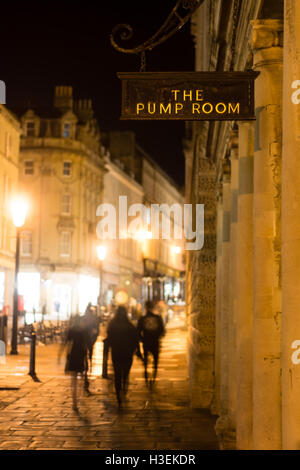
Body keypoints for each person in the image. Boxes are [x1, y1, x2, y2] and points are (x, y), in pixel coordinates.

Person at [106, 305, 139, 408]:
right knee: (126, 373)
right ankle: (124, 389)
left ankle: (118, 397)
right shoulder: (130, 325)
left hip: (116, 352)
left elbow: (109, 339)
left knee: (117, 375)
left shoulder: (112, 325)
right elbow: (135, 339)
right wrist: (135, 350)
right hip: (127, 353)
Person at [58, 315, 88, 411]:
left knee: (73, 381)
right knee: (81, 379)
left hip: (72, 356)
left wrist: (60, 355)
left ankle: (74, 402)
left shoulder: (71, 330)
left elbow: (65, 343)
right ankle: (80, 398)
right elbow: (86, 345)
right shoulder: (83, 331)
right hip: (80, 356)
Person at [137, 300, 165, 387]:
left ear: (145, 307)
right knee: (155, 360)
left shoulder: (142, 319)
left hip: (146, 342)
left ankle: (146, 371)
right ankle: (153, 376)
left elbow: (138, 331)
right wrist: (157, 336)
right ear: (153, 307)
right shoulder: (158, 318)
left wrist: (142, 339)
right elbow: (162, 331)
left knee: (146, 358)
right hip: (155, 342)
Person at [82, 304, 100, 391]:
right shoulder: (94, 318)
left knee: (84, 353)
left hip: (84, 339)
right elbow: (97, 330)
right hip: (90, 338)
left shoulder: (83, 318)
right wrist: (94, 338)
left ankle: (85, 365)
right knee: (90, 351)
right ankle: (89, 361)